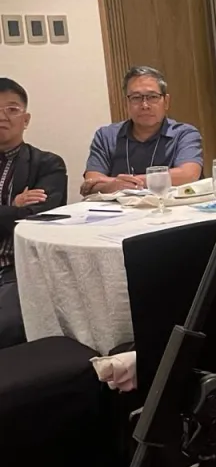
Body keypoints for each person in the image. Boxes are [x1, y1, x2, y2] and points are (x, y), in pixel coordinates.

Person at [0, 79, 67, 347]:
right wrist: (13, 208)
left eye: (12, 109)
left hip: (17, 271)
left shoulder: (48, 164)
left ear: (25, 119)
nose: (2, 116)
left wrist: (21, 210)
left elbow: (40, 218)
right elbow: (19, 216)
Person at [81, 66, 203, 195]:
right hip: (121, 212)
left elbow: (189, 175)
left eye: (152, 97)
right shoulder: (106, 136)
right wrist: (111, 184)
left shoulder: (184, 134)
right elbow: (91, 181)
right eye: (136, 98)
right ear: (126, 103)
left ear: (166, 102)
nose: (145, 105)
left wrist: (122, 183)